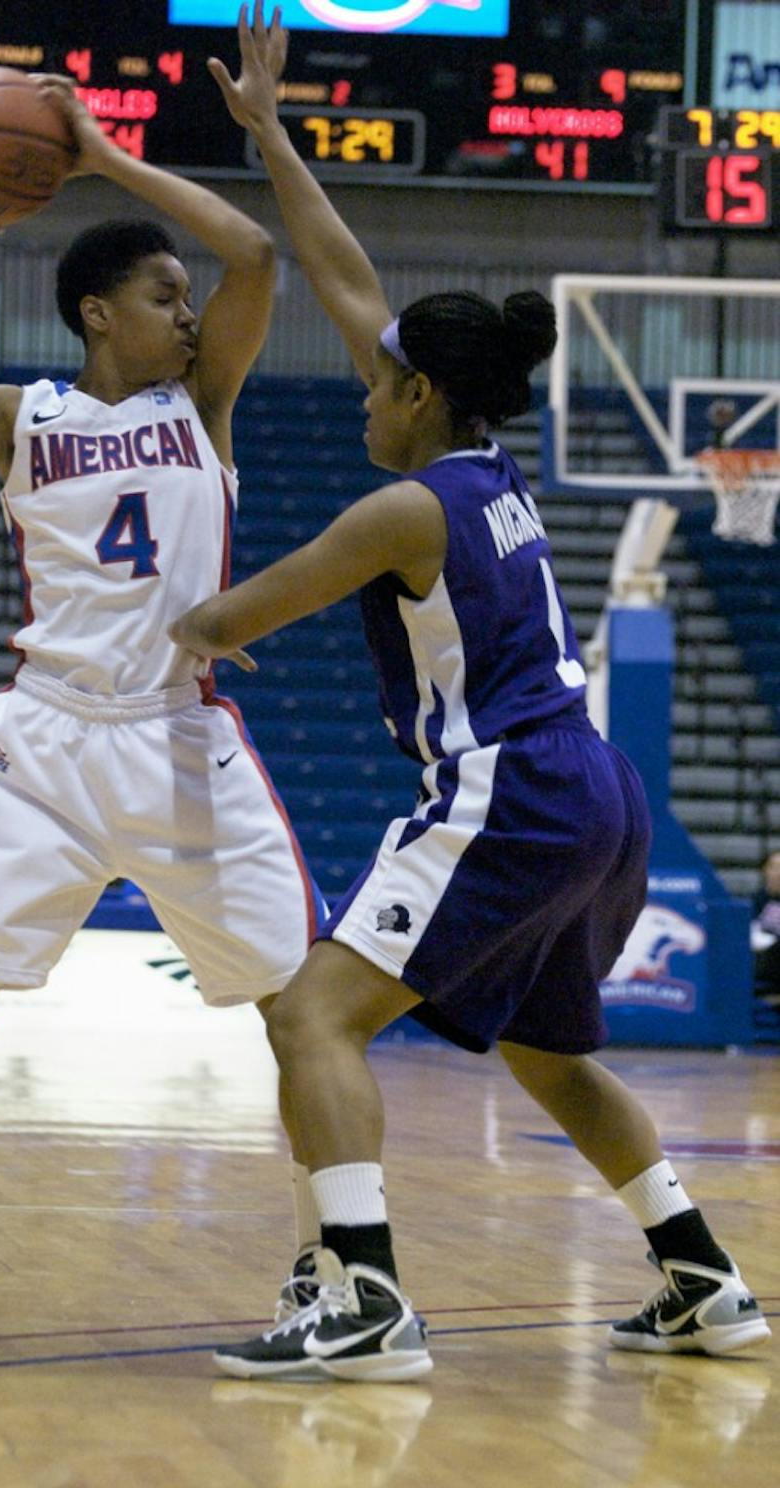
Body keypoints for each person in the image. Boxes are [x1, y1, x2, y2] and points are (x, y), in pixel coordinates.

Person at [166, 3, 772, 1380]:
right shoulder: (489, 471)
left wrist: (175, 594)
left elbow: (228, 612)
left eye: (381, 380)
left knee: (311, 1014)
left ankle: (365, 1298)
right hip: (598, 791)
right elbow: (341, 269)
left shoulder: (400, 509)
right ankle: (704, 1279)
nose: (361, 391)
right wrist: (268, 133)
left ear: (423, 390)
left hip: (508, 787)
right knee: (554, 1059)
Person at [0, 70, 325, 1317]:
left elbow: (250, 250)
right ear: (97, 312)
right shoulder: (16, 419)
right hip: (47, 743)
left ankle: (328, 1250)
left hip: (180, 735)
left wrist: (98, 154)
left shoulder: (207, 404)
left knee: (301, 1012)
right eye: (160, 294)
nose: (187, 312)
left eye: (186, 299)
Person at [751, 848, 780, 1001]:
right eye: (774, 867)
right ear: (765, 870)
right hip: (761, 958)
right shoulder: (758, 899)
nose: (778, 873)